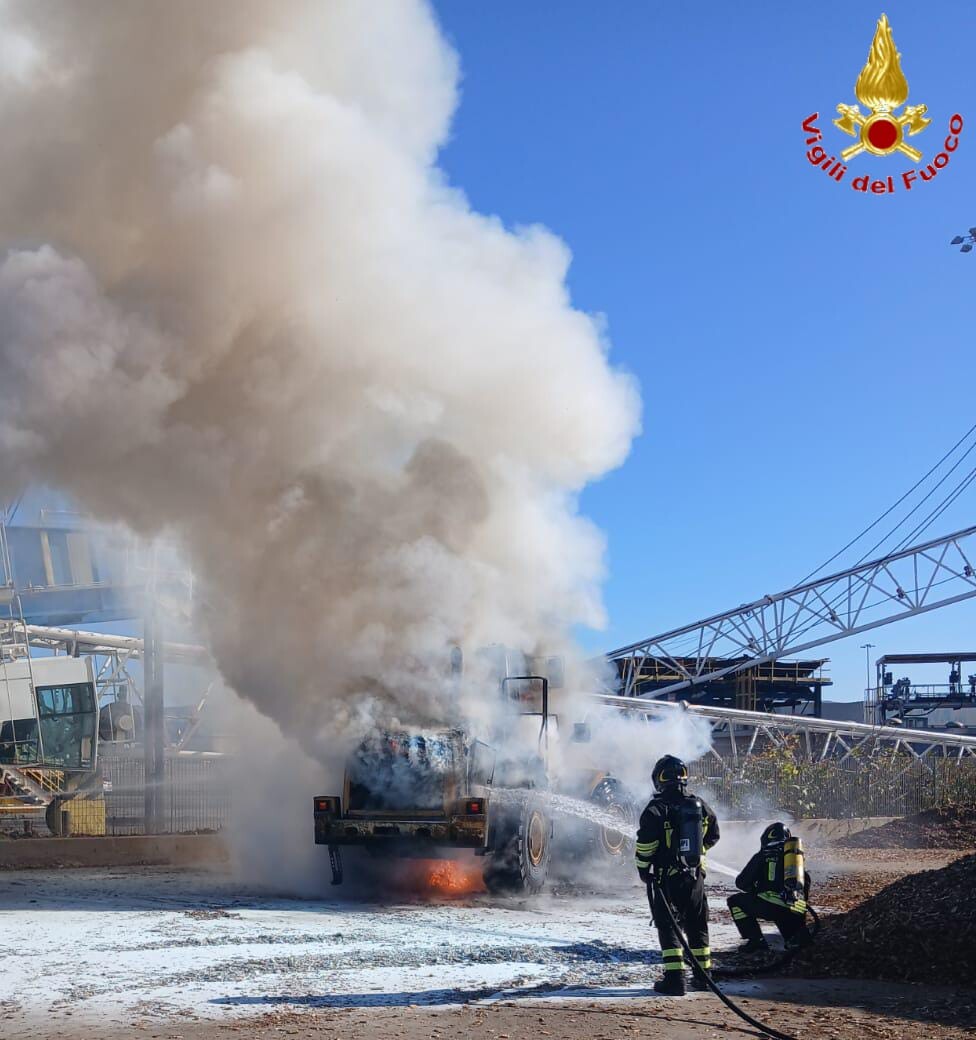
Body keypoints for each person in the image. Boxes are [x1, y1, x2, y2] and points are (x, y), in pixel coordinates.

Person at [635, 754, 720, 996]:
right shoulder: (699, 805)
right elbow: (713, 835)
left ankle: (675, 980)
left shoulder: (655, 809)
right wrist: (696, 853)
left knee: (668, 926)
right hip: (695, 877)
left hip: (666, 879)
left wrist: (643, 870)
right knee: (697, 924)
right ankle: (704, 977)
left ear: (658, 779)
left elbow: (645, 847)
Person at [727, 822, 812, 953]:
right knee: (796, 944)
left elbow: (741, 883)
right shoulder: (795, 861)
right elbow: (803, 888)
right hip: (794, 913)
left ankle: (756, 940)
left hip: (769, 908)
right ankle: (797, 936)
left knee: (734, 901)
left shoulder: (762, 856)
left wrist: (755, 888)